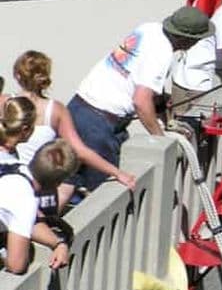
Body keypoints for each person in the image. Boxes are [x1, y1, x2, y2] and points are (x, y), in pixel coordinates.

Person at [67, 6, 214, 195]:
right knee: (102, 194)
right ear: (189, 39)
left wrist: (161, 108)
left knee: (67, 181)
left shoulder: (149, 29)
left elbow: (140, 77)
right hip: (99, 124)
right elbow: (141, 102)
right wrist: (160, 139)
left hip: (78, 108)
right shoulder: (162, 53)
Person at [2, 51, 136, 209]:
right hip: (38, 188)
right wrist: (118, 173)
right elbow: (80, 151)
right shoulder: (55, 110)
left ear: (17, 75)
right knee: (69, 182)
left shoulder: (5, 102)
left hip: (5, 178)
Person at [0, 99, 78, 274]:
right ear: (56, 184)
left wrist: (57, 243)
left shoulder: (10, 164)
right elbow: (16, 265)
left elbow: (28, 220)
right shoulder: (24, 198)